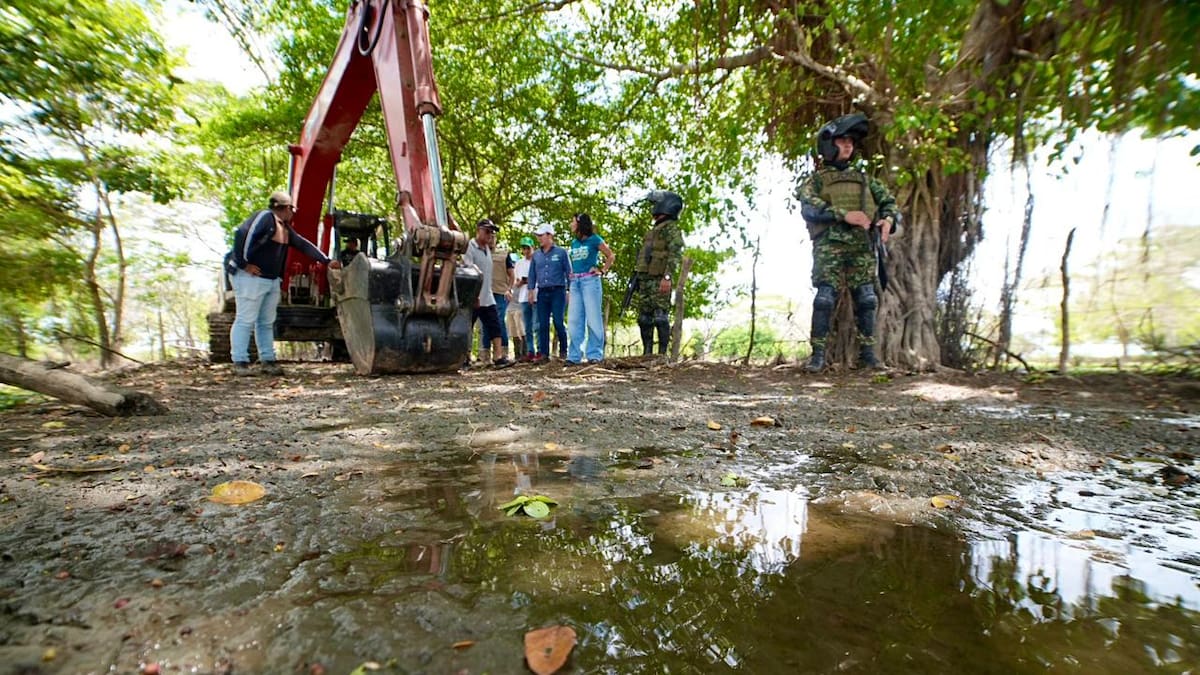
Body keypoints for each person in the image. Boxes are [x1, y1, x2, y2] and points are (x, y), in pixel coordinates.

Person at [795, 113, 899, 372]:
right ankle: (818, 356)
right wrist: (844, 214)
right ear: (829, 145)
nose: (848, 146)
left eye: (851, 142)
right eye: (842, 141)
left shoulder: (865, 180)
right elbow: (810, 209)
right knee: (825, 298)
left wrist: (887, 220)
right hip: (829, 245)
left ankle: (868, 356)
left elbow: (889, 203)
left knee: (867, 298)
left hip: (861, 245)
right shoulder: (816, 180)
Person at [223, 190, 341, 377]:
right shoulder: (265, 218)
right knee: (246, 319)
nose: (293, 213)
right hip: (251, 278)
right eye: (292, 209)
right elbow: (241, 233)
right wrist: (244, 264)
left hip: (270, 279)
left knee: (266, 322)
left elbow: (302, 244)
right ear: (286, 208)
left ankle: (268, 360)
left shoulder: (283, 228)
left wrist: (326, 260)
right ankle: (240, 361)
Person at [633, 190, 685, 356]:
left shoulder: (671, 229)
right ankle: (647, 354)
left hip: (659, 279)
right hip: (645, 279)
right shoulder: (653, 230)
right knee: (644, 318)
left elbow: (675, 254)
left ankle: (662, 355)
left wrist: (667, 277)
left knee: (660, 317)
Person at [566, 213, 615, 364]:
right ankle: (574, 356)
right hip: (575, 283)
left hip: (590, 281)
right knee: (574, 320)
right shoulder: (574, 243)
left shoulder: (595, 239)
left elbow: (610, 256)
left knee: (593, 319)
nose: (571, 224)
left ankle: (594, 354)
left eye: (573, 222)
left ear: (580, 223)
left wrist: (602, 270)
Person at [463, 218, 512, 367]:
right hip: (473, 296)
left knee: (495, 325)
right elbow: (468, 272)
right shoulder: (470, 247)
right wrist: (474, 294)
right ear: (478, 230)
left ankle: (498, 357)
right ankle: (465, 357)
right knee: (468, 327)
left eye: (491, 232)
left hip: (487, 295)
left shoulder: (487, 250)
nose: (490, 235)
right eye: (487, 231)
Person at [527, 224, 571, 364]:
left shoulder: (561, 252)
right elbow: (532, 274)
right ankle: (544, 354)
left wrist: (569, 290)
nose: (539, 238)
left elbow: (568, 272)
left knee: (558, 321)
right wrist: (530, 290)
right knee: (542, 324)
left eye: (542, 235)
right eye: (538, 236)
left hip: (558, 291)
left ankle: (564, 350)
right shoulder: (536, 255)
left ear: (550, 235)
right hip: (542, 292)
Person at [490, 235, 516, 359]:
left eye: (493, 236)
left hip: (501, 293)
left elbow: (512, 274)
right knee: (485, 324)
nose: (490, 239)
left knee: (499, 320)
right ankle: (485, 354)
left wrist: (509, 289)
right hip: (485, 293)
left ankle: (503, 352)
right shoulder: (480, 254)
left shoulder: (504, 255)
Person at [511, 237, 535, 361]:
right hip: (523, 297)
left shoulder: (537, 261)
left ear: (533, 248)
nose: (526, 251)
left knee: (538, 325)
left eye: (528, 248)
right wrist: (520, 282)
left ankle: (541, 351)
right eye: (524, 248)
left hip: (537, 296)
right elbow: (515, 282)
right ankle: (530, 351)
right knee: (527, 326)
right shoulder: (519, 263)